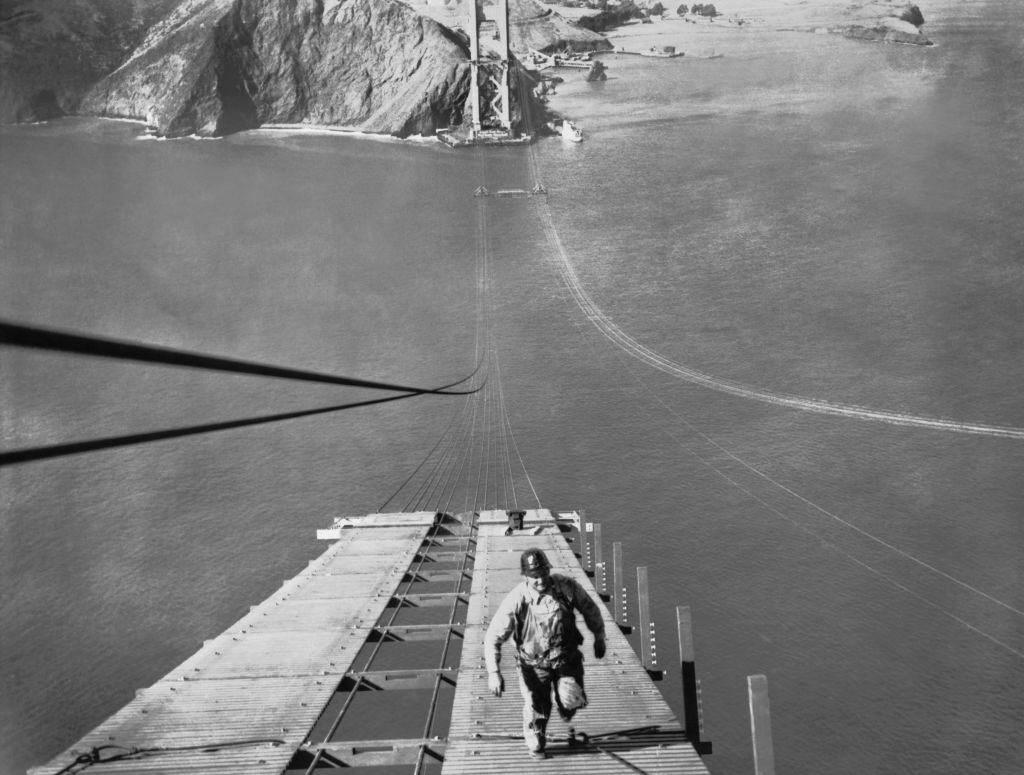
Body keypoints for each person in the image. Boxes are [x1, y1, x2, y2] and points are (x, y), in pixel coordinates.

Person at [484, 547, 607, 758]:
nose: (540, 580)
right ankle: (535, 732)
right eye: (534, 577)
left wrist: (599, 636)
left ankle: (563, 702)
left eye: (543, 574)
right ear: (525, 576)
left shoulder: (566, 587)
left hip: (565, 659)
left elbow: (590, 609)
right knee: (537, 712)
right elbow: (493, 636)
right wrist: (494, 672)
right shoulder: (518, 599)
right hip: (534, 665)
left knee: (569, 703)